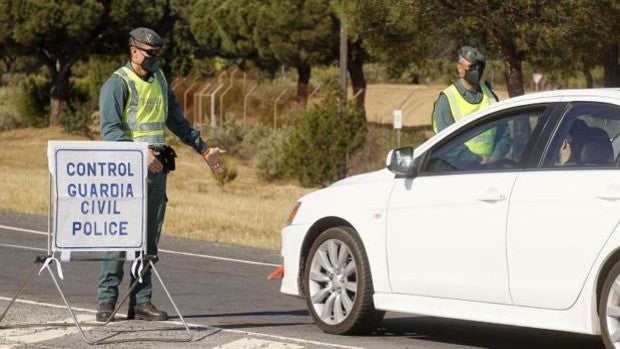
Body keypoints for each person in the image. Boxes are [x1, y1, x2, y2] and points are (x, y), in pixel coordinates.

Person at [96, 27, 225, 322]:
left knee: (149, 236)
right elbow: (110, 130)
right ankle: (106, 300)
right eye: (149, 54)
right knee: (119, 235)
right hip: (125, 172)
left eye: (157, 54)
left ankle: (141, 301)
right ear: (134, 51)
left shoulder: (160, 79)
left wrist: (204, 150)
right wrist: (141, 154)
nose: (154, 59)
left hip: (156, 172)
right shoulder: (117, 84)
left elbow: (176, 120)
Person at [431, 45, 509, 164]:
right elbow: (447, 144)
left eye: (480, 67)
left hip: (489, 169)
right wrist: (476, 160)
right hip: (456, 170)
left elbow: (504, 134)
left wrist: (494, 157)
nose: (476, 71)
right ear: (460, 68)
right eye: (472, 67)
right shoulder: (447, 99)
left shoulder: (491, 97)